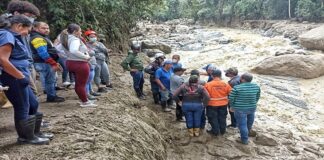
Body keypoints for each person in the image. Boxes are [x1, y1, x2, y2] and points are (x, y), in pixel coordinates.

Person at [0, 15, 52, 145]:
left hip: (19, 76)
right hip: (13, 77)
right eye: (27, 30)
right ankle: (26, 137)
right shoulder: (7, 36)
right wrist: (20, 76)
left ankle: (35, 132)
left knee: (33, 103)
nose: (27, 33)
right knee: (22, 106)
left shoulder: (12, 36)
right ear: (18, 26)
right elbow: (3, 60)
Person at [6, 0, 40, 95]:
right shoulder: (8, 32)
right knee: (30, 95)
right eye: (29, 15)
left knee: (30, 96)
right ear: (16, 13)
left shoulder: (23, 28)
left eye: (33, 17)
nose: (31, 19)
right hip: (19, 68)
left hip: (27, 65)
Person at [61, 23, 97, 107]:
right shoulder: (75, 40)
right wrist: (85, 57)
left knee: (78, 84)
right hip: (79, 64)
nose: (81, 32)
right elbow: (74, 50)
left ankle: (83, 99)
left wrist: (68, 56)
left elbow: (59, 49)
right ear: (75, 32)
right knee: (81, 84)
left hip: (70, 62)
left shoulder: (65, 39)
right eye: (80, 31)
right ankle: (85, 102)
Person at [30, 22, 65, 103]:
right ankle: (51, 97)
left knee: (50, 80)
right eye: (43, 28)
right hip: (44, 63)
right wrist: (53, 63)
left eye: (47, 28)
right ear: (35, 28)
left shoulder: (42, 37)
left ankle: (52, 95)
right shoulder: (37, 38)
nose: (46, 30)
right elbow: (43, 53)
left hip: (45, 62)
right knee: (49, 80)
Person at [229, 73, 260, 145]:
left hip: (240, 109)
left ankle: (244, 140)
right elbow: (257, 97)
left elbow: (231, 99)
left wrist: (232, 106)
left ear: (242, 79)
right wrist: (253, 103)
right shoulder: (256, 86)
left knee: (242, 125)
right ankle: (248, 133)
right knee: (249, 122)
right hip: (252, 107)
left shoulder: (237, 88)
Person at [204, 69, 232, 136]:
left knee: (213, 117)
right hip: (223, 104)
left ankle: (215, 131)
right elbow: (231, 93)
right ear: (220, 75)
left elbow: (205, 95)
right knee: (222, 117)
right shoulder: (226, 84)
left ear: (212, 76)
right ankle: (222, 130)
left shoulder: (208, 84)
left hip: (212, 104)